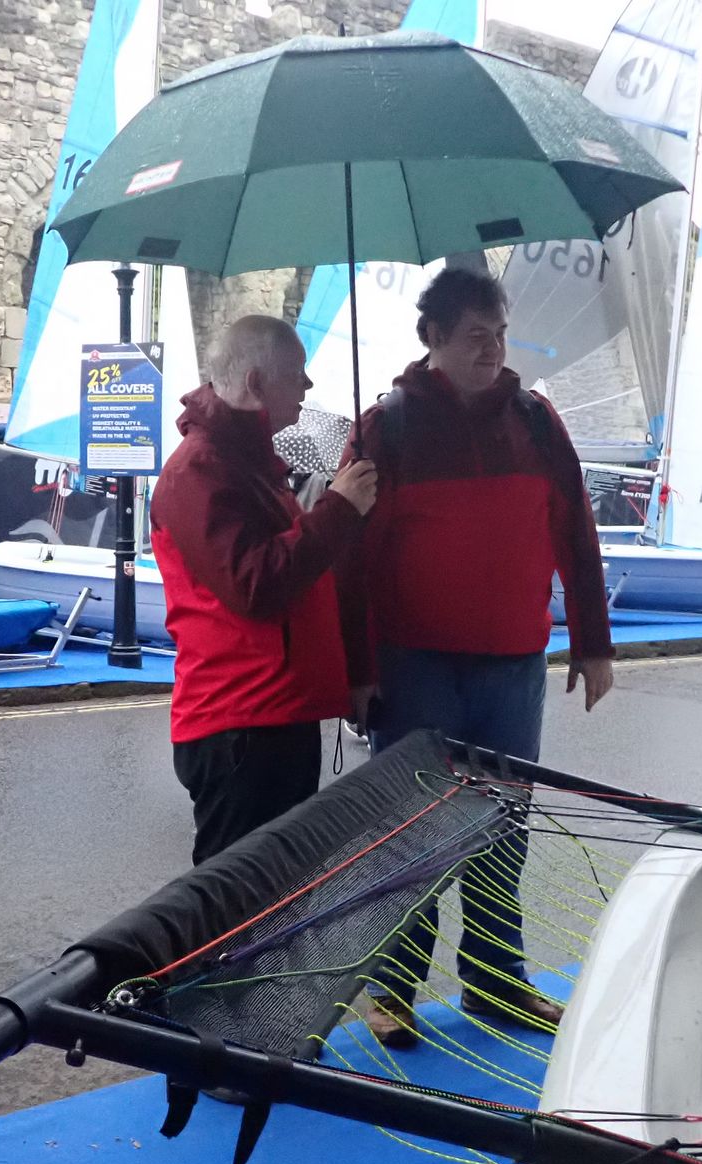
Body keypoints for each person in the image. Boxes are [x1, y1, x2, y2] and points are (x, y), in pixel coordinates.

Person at [338, 267, 614, 1047]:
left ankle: (496, 983)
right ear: (431, 340)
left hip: (512, 665)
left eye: (499, 332)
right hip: (414, 664)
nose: (492, 349)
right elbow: (352, 561)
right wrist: (359, 671)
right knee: (415, 831)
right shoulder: (385, 427)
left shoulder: (536, 421)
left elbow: (576, 535)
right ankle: (392, 988)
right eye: (474, 336)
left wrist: (592, 644)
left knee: (502, 827)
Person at [150, 315, 379, 865]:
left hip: (271, 716)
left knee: (270, 893)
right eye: (297, 373)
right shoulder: (199, 471)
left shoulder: (242, 464)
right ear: (256, 383)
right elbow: (258, 586)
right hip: (241, 723)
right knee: (235, 906)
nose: (308, 386)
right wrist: (340, 509)